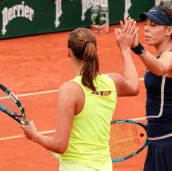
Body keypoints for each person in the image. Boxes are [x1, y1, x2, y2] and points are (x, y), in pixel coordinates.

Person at [20, 23, 140, 171]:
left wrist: (35, 136)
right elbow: (134, 87)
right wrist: (125, 50)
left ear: (69, 52)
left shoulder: (69, 91)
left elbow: (60, 145)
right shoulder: (112, 82)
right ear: (94, 50)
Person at [117, 5, 172, 171]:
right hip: (158, 142)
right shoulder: (167, 55)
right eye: (146, 25)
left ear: (169, 30)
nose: (147, 30)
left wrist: (137, 47)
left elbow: (159, 68)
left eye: (154, 25)